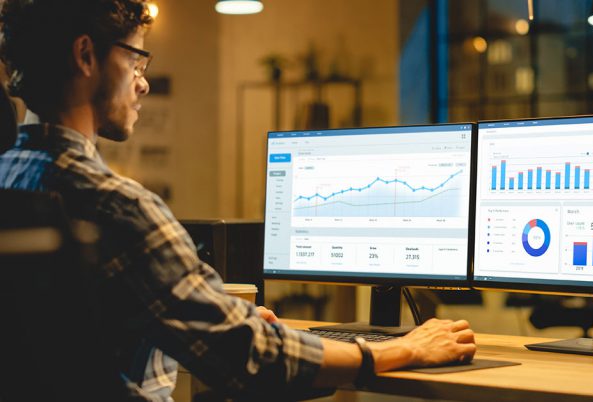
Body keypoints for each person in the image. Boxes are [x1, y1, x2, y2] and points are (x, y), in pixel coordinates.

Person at [0, 1, 476, 401]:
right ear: (86, 55)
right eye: (136, 62)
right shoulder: (117, 207)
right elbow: (252, 359)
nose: (142, 83)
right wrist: (403, 349)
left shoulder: (9, 179)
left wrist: (212, 309)